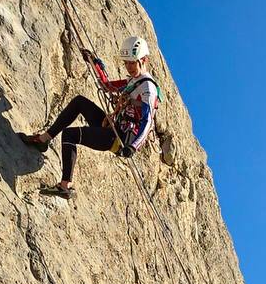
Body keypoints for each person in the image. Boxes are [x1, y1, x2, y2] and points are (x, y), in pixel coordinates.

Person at [19, 36, 160, 198]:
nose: (128, 67)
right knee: (79, 102)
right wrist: (94, 64)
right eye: (126, 62)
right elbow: (107, 86)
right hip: (114, 127)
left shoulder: (148, 88)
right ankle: (43, 139)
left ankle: (65, 186)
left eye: (132, 62)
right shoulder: (132, 81)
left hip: (120, 139)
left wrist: (133, 146)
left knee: (70, 135)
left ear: (143, 60)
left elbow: (147, 121)